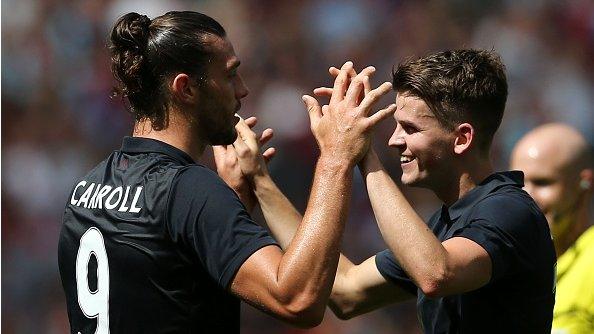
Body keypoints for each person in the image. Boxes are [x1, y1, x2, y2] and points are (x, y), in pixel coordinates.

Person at [57, 11, 395, 333]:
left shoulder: (86, 189)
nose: (242, 89)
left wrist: (232, 202)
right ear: (186, 88)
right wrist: (335, 158)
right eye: (230, 74)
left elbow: (161, 285)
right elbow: (296, 299)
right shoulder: (191, 191)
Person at [215, 49, 556, 333]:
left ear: (462, 138)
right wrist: (260, 181)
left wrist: (363, 156)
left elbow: (436, 273)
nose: (394, 140)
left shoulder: (510, 209)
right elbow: (346, 292)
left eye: (410, 128)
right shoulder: (444, 226)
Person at [511, 123, 594, 334]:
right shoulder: (510, 267)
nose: (526, 198)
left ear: (585, 183)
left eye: (542, 182)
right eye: (519, 184)